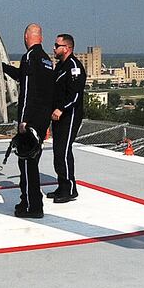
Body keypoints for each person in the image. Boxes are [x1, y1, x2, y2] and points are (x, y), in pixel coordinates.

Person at [2, 24, 56, 218]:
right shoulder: (46, 60)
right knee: (32, 161)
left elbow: (26, 92)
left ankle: (32, 205)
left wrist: (23, 120)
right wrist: (4, 68)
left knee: (26, 164)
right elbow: (25, 78)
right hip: (41, 120)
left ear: (26, 37)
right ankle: (28, 201)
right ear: (40, 38)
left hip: (30, 119)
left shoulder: (29, 57)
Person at [50, 33, 85, 203]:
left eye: (57, 45)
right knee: (58, 151)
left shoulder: (74, 67)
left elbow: (75, 95)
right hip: (58, 116)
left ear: (67, 48)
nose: (54, 48)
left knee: (63, 151)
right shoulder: (60, 66)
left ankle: (70, 189)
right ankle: (62, 186)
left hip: (69, 115)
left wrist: (60, 109)